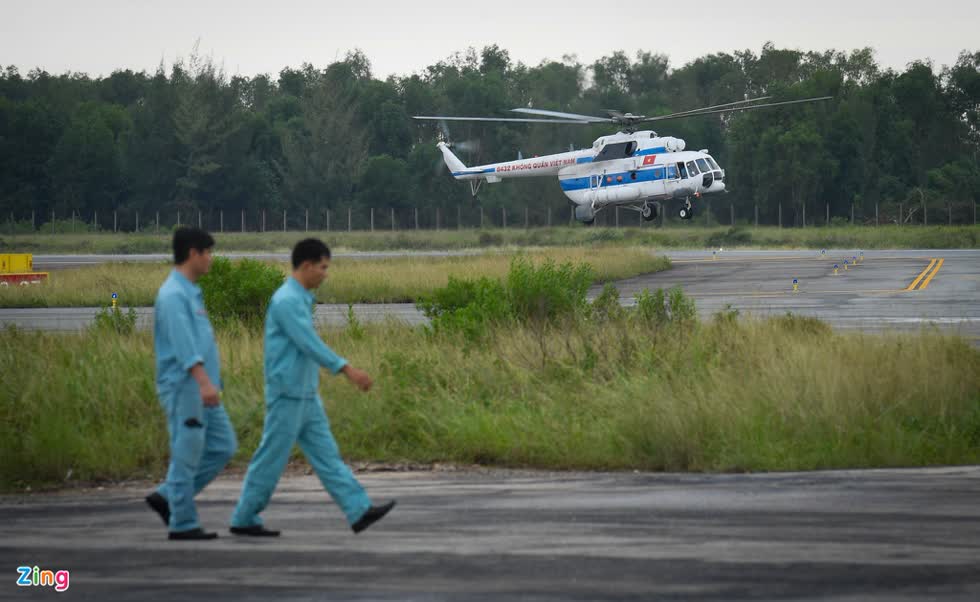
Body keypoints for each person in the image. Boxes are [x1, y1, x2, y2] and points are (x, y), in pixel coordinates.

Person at [230, 238, 394, 536]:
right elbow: (308, 342)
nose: (325, 274)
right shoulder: (287, 301)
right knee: (270, 457)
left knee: (327, 455)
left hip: (305, 394)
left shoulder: (299, 298)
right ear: (306, 266)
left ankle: (358, 509)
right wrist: (347, 369)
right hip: (287, 394)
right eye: (323, 267)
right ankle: (244, 516)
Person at [145, 227, 237, 540]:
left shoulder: (191, 291)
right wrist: (202, 382)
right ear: (193, 253)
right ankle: (182, 522)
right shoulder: (173, 295)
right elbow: (185, 347)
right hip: (187, 388)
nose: (211, 258)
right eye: (207, 252)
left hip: (204, 388)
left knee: (223, 445)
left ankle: (168, 496)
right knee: (187, 454)